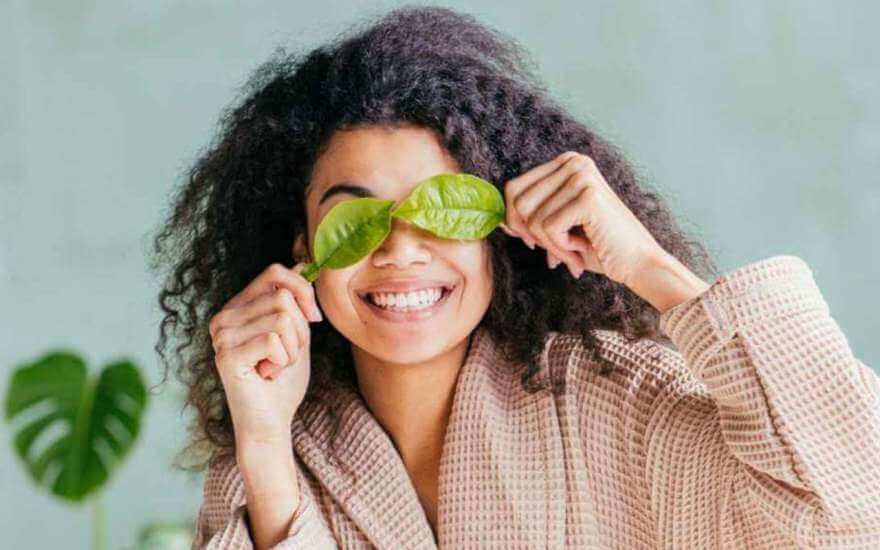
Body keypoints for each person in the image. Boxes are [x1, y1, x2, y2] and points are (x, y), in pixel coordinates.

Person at [149, 6, 880, 549]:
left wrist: (654, 270)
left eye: (443, 211)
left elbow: (854, 503)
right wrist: (266, 448)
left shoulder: (624, 404)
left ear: (501, 230)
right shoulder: (275, 451)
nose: (401, 250)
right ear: (301, 244)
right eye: (355, 219)